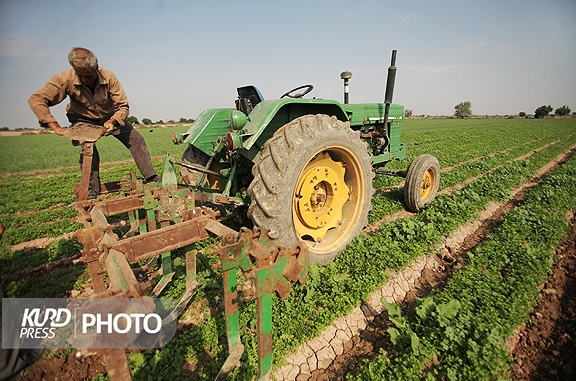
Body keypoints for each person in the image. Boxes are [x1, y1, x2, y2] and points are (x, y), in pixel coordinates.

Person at [28, 47, 159, 198]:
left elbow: (122, 106)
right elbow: (37, 99)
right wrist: (54, 125)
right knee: (88, 150)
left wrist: (112, 121)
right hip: (82, 119)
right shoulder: (65, 78)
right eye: (81, 76)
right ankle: (91, 189)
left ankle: (151, 177)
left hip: (109, 117)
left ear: (96, 68)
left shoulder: (109, 77)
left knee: (136, 139)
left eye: (88, 76)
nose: (85, 80)